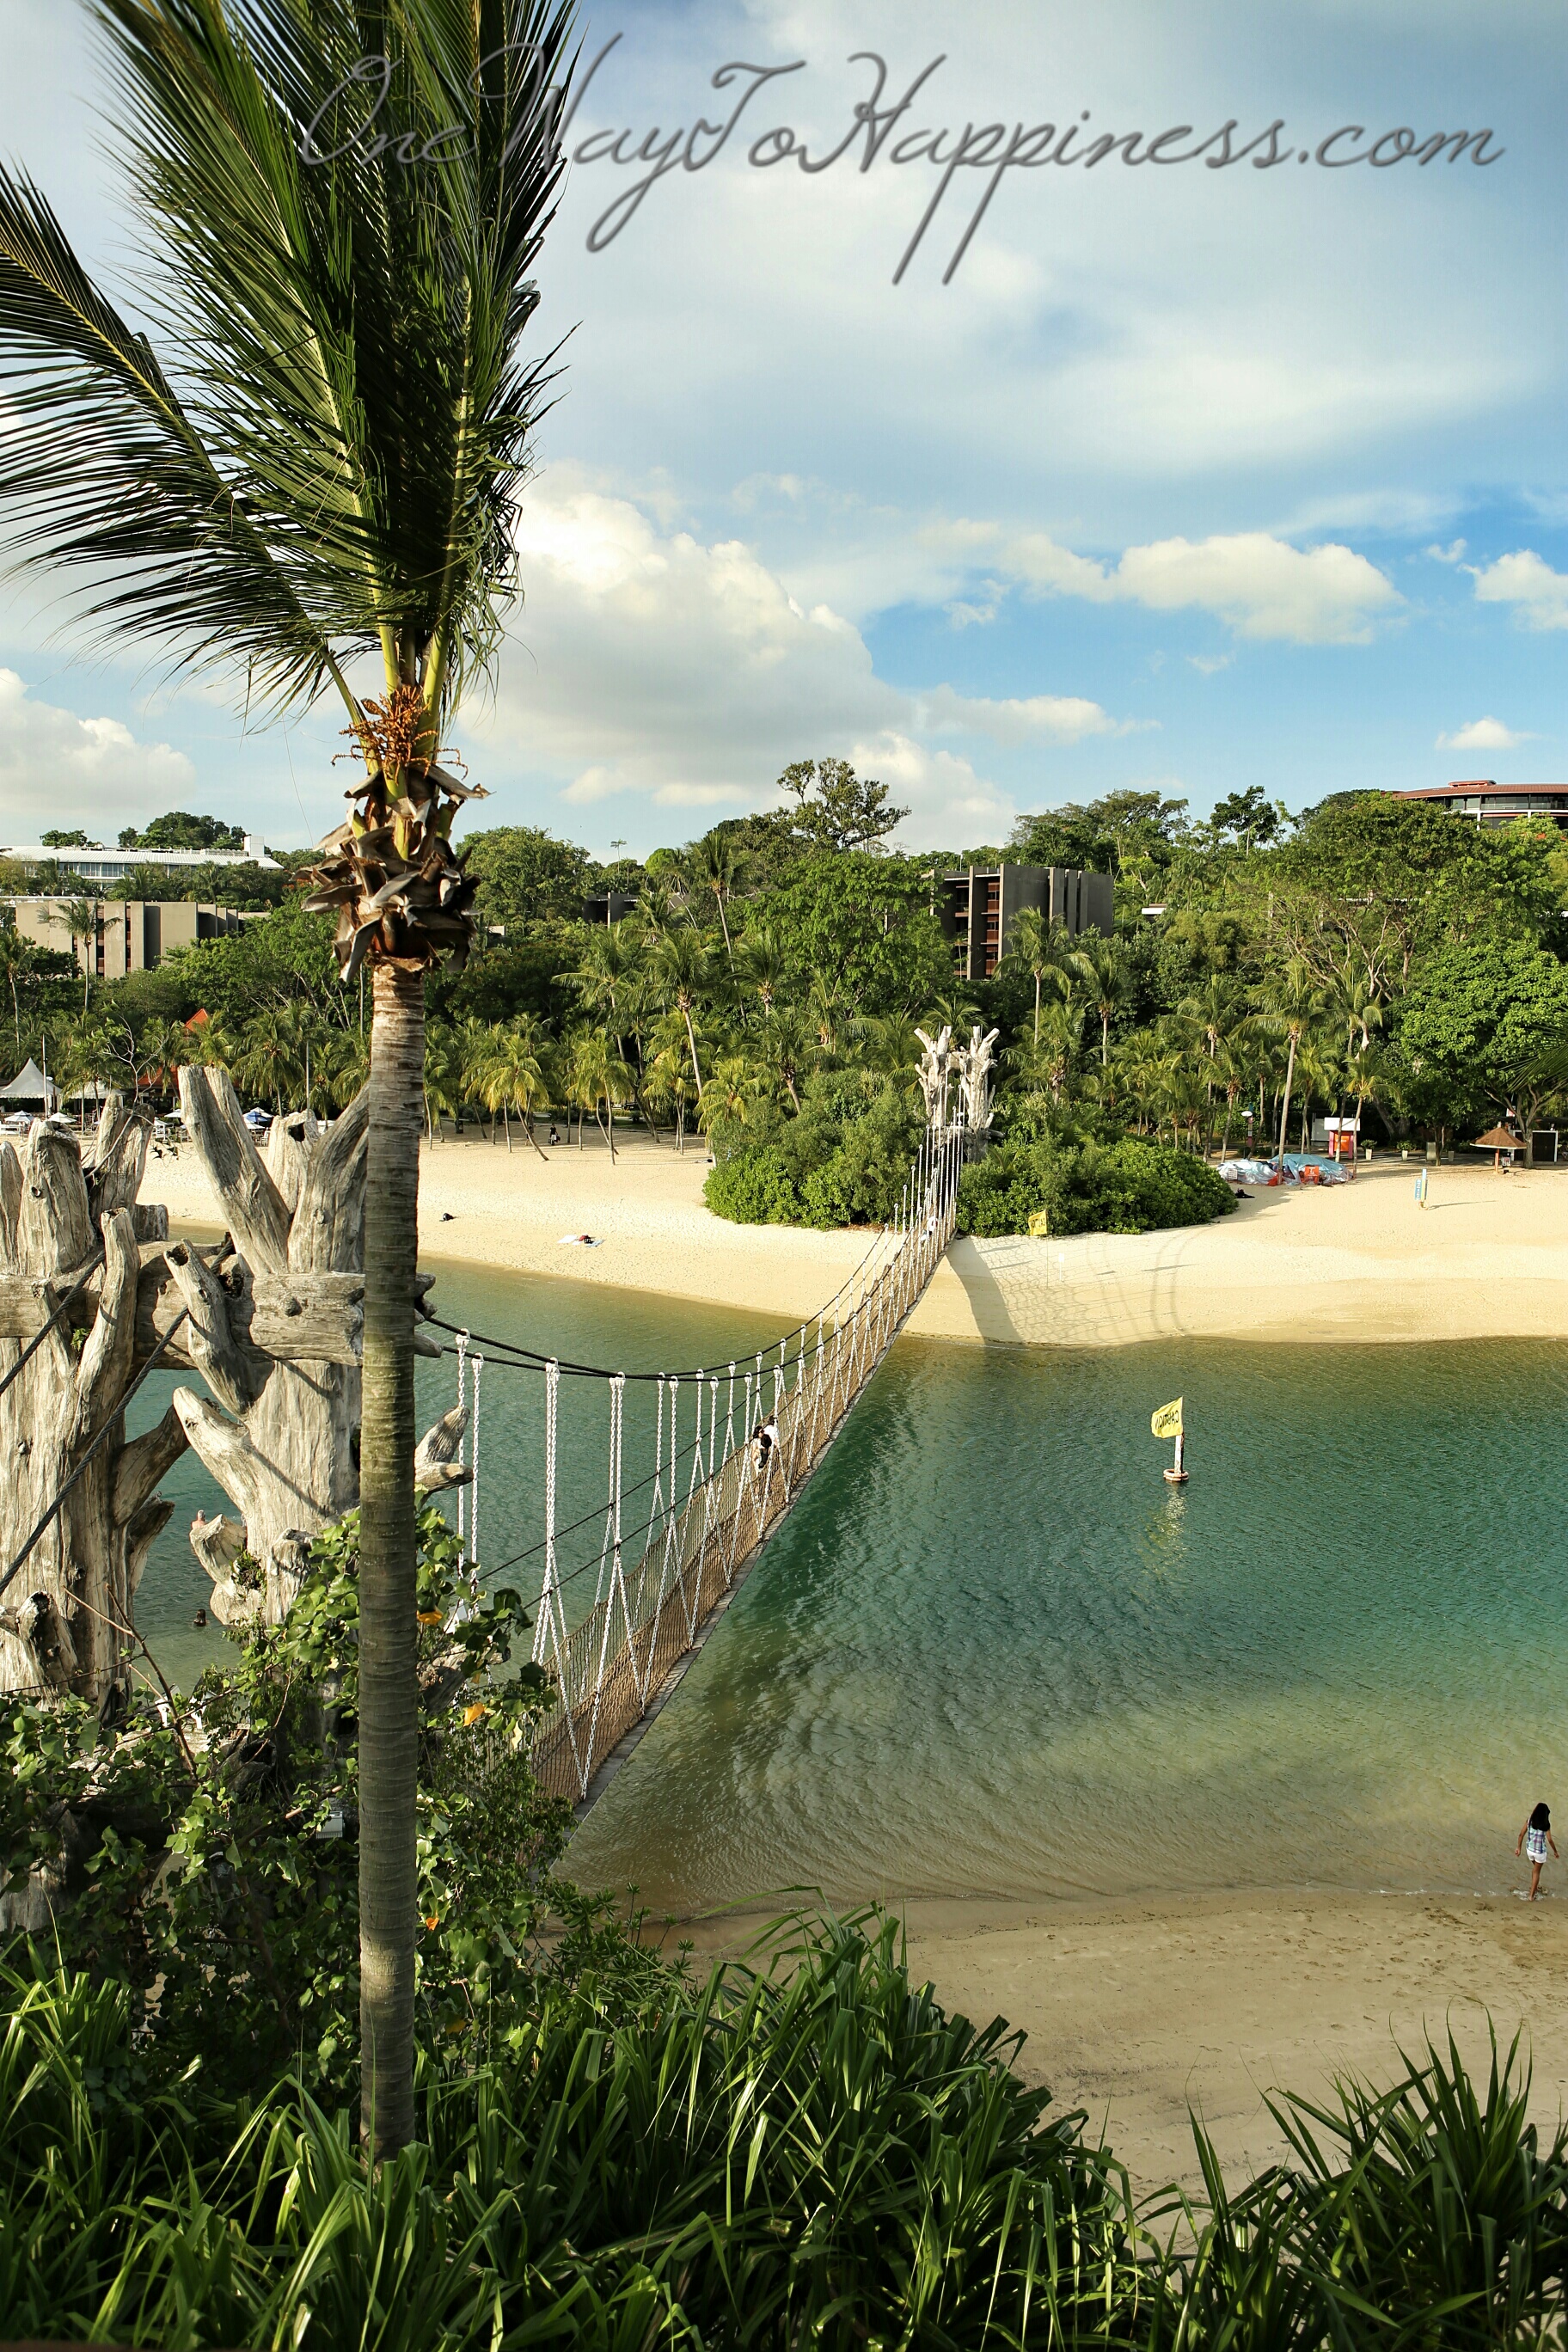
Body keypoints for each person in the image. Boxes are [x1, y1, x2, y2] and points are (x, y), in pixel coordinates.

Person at [1516, 1801, 1559, 1900]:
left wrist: (1518, 1848)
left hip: (1529, 1851)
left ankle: (1535, 1887)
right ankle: (1531, 1896)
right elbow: (1550, 1840)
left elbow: (1521, 1834)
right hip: (1539, 1853)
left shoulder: (1529, 1820)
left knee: (1535, 1870)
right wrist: (1555, 1852)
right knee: (1536, 1872)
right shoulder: (1546, 1824)